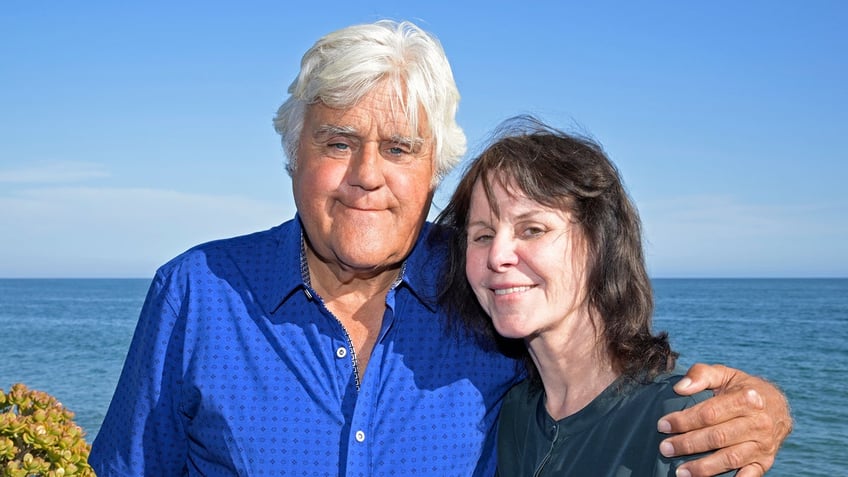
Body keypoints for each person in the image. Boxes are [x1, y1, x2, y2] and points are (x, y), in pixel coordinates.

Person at [89, 20, 791, 476]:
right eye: (337, 142)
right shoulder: (197, 291)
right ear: (291, 157)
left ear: (433, 174)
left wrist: (759, 407)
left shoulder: (485, 283)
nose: (367, 175)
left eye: (399, 148)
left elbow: (598, 384)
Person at [438, 116, 745, 476]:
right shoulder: (516, 414)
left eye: (532, 229)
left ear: (599, 243)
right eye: (483, 235)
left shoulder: (680, 421)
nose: (497, 255)